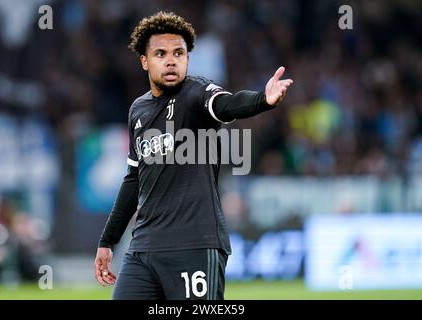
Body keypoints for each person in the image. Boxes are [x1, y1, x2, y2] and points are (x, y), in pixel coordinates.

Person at [94, 11, 293, 300]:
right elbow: (133, 180)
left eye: (179, 53)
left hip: (195, 246)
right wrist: (107, 241)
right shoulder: (137, 111)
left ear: (188, 58)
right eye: (160, 54)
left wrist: (262, 100)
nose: (171, 60)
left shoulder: (196, 94)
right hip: (144, 249)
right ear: (144, 61)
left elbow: (226, 104)